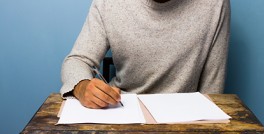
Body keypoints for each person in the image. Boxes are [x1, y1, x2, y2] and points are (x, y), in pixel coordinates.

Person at [61, 0, 231, 109]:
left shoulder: (215, 4)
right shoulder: (108, 3)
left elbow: (212, 92)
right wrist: (81, 86)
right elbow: (77, 60)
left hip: (184, 117)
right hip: (121, 109)